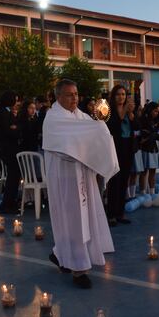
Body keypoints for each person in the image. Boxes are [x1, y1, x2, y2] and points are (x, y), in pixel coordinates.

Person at [43, 79, 118, 289]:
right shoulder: (54, 117)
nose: (74, 98)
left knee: (83, 219)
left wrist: (100, 124)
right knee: (73, 220)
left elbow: (93, 132)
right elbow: (66, 144)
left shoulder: (81, 116)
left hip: (82, 174)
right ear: (58, 97)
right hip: (65, 177)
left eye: (76, 94)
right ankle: (79, 269)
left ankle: (61, 254)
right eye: (69, 94)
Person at [105, 85, 134, 226]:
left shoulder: (128, 111)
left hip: (127, 147)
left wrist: (132, 115)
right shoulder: (109, 111)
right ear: (113, 96)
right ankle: (111, 214)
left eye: (123, 94)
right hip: (115, 148)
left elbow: (135, 127)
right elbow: (112, 128)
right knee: (114, 181)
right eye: (118, 94)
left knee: (124, 181)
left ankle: (120, 213)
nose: (121, 97)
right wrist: (122, 114)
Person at [0, 91, 21, 215]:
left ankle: (10, 202)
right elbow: (7, 130)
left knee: (14, 177)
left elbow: (14, 126)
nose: (17, 102)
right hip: (8, 149)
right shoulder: (3, 113)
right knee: (12, 177)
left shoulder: (6, 112)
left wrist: (15, 127)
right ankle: (7, 203)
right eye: (15, 100)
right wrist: (15, 128)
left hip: (9, 148)